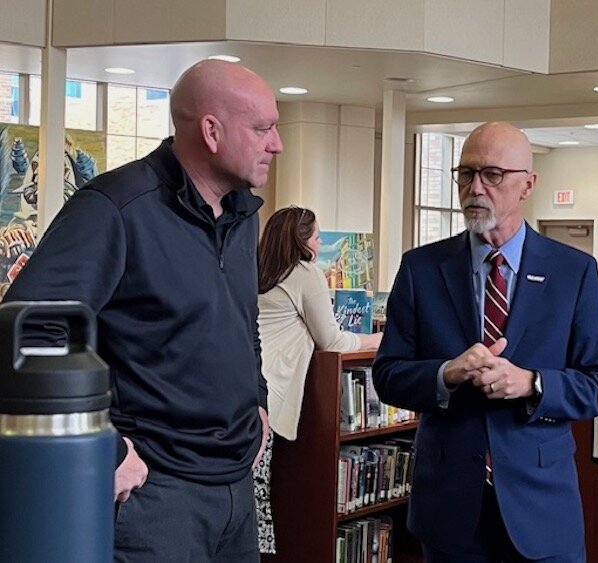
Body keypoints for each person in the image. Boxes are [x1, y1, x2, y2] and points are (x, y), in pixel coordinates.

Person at [2, 59, 283, 562]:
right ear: (212, 131)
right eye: (263, 128)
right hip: (154, 496)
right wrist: (105, 447)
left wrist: (257, 401)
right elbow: (28, 333)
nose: (276, 143)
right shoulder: (115, 207)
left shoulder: (244, 217)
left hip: (237, 487)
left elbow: (242, 325)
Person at [372, 122, 598, 563]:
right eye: (465, 174)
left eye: (492, 174)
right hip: (449, 507)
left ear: (528, 184)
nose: (475, 188)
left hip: (541, 507)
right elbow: (388, 375)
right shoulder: (421, 269)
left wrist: (532, 384)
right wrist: (447, 373)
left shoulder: (573, 272)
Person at [253, 205, 382, 554]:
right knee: (260, 498)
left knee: (250, 496)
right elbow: (332, 340)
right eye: (317, 236)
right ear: (302, 240)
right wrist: (378, 340)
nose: (321, 242)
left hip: (247, 389)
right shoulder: (304, 273)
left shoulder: (260, 271)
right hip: (273, 394)